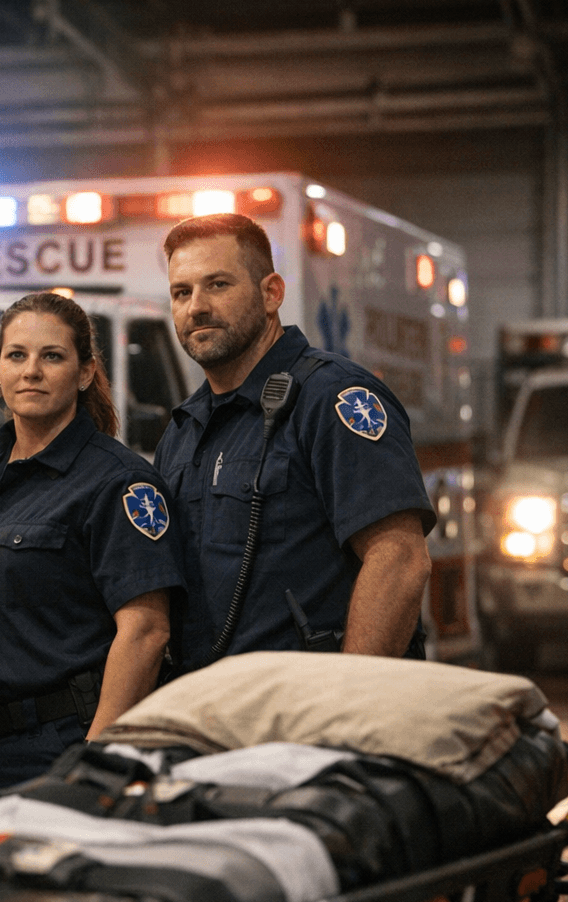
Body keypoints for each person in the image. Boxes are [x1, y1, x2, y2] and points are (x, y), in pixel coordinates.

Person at [0, 292, 184, 810]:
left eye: (52, 356)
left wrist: (96, 762)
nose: (31, 371)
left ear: (85, 373)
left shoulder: (118, 482)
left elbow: (147, 631)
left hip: (57, 750)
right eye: (16, 356)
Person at [153, 213, 434, 673]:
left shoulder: (331, 398)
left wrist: (345, 702)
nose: (196, 307)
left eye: (218, 285)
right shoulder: (183, 430)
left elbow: (399, 559)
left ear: (271, 294)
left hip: (307, 713)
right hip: (208, 715)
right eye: (182, 292)